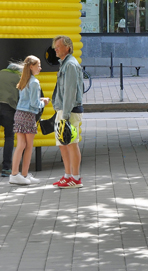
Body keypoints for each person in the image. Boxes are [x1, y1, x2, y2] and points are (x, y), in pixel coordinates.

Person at [9, 55, 49, 185]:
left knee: (20, 145)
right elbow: (34, 104)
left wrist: (39, 100)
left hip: (19, 113)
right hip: (28, 115)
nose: (40, 68)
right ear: (31, 66)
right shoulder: (35, 82)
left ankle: (15, 174)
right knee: (28, 146)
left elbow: (26, 100)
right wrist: (44, 102)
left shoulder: (24, 80)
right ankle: (23, 174)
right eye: (38, 65)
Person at [51, 35, 84, 189]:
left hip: (69, 111)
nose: (55, 49)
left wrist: (65, 115)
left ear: (67, 47)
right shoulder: (65, 64)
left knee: (71, 143)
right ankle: (68, 175)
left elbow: (70, 91)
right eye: (55, 47)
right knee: (64, 144)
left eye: (58, 46)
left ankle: (76, 178)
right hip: (64, 110)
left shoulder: (70, 65)